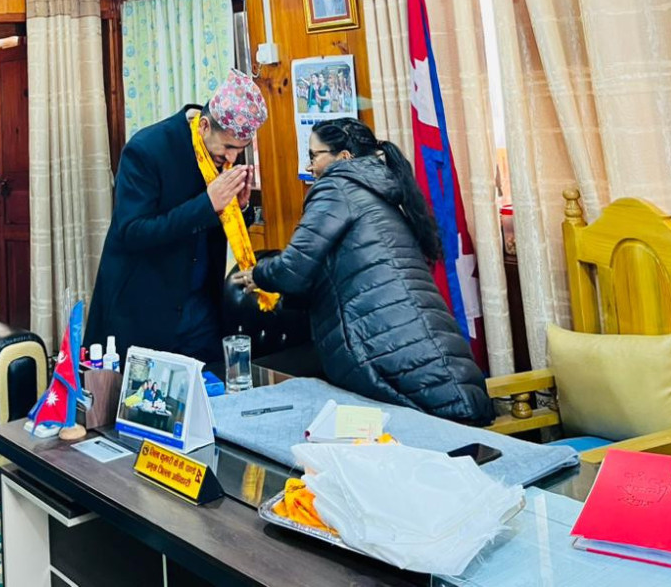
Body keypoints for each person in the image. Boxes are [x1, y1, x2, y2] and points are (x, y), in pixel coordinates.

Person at [232, 119, 493, 425]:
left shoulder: (337, 186)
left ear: (343, 157)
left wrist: (258, 274)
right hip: (438, 363)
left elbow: (293, 267)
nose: (310, 166)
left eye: (314, 155)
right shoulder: (378, 192)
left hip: (399, 357)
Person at [86, 68, 267, 363]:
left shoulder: (220, 156)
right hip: (146, 307)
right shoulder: (147, 150)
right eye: (229, 147)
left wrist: (240, 209)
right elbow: (132, 232)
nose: (232, 158)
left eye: (240, 150)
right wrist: (207, 204)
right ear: (204, 125)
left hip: (201, 309)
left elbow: (214, 225)